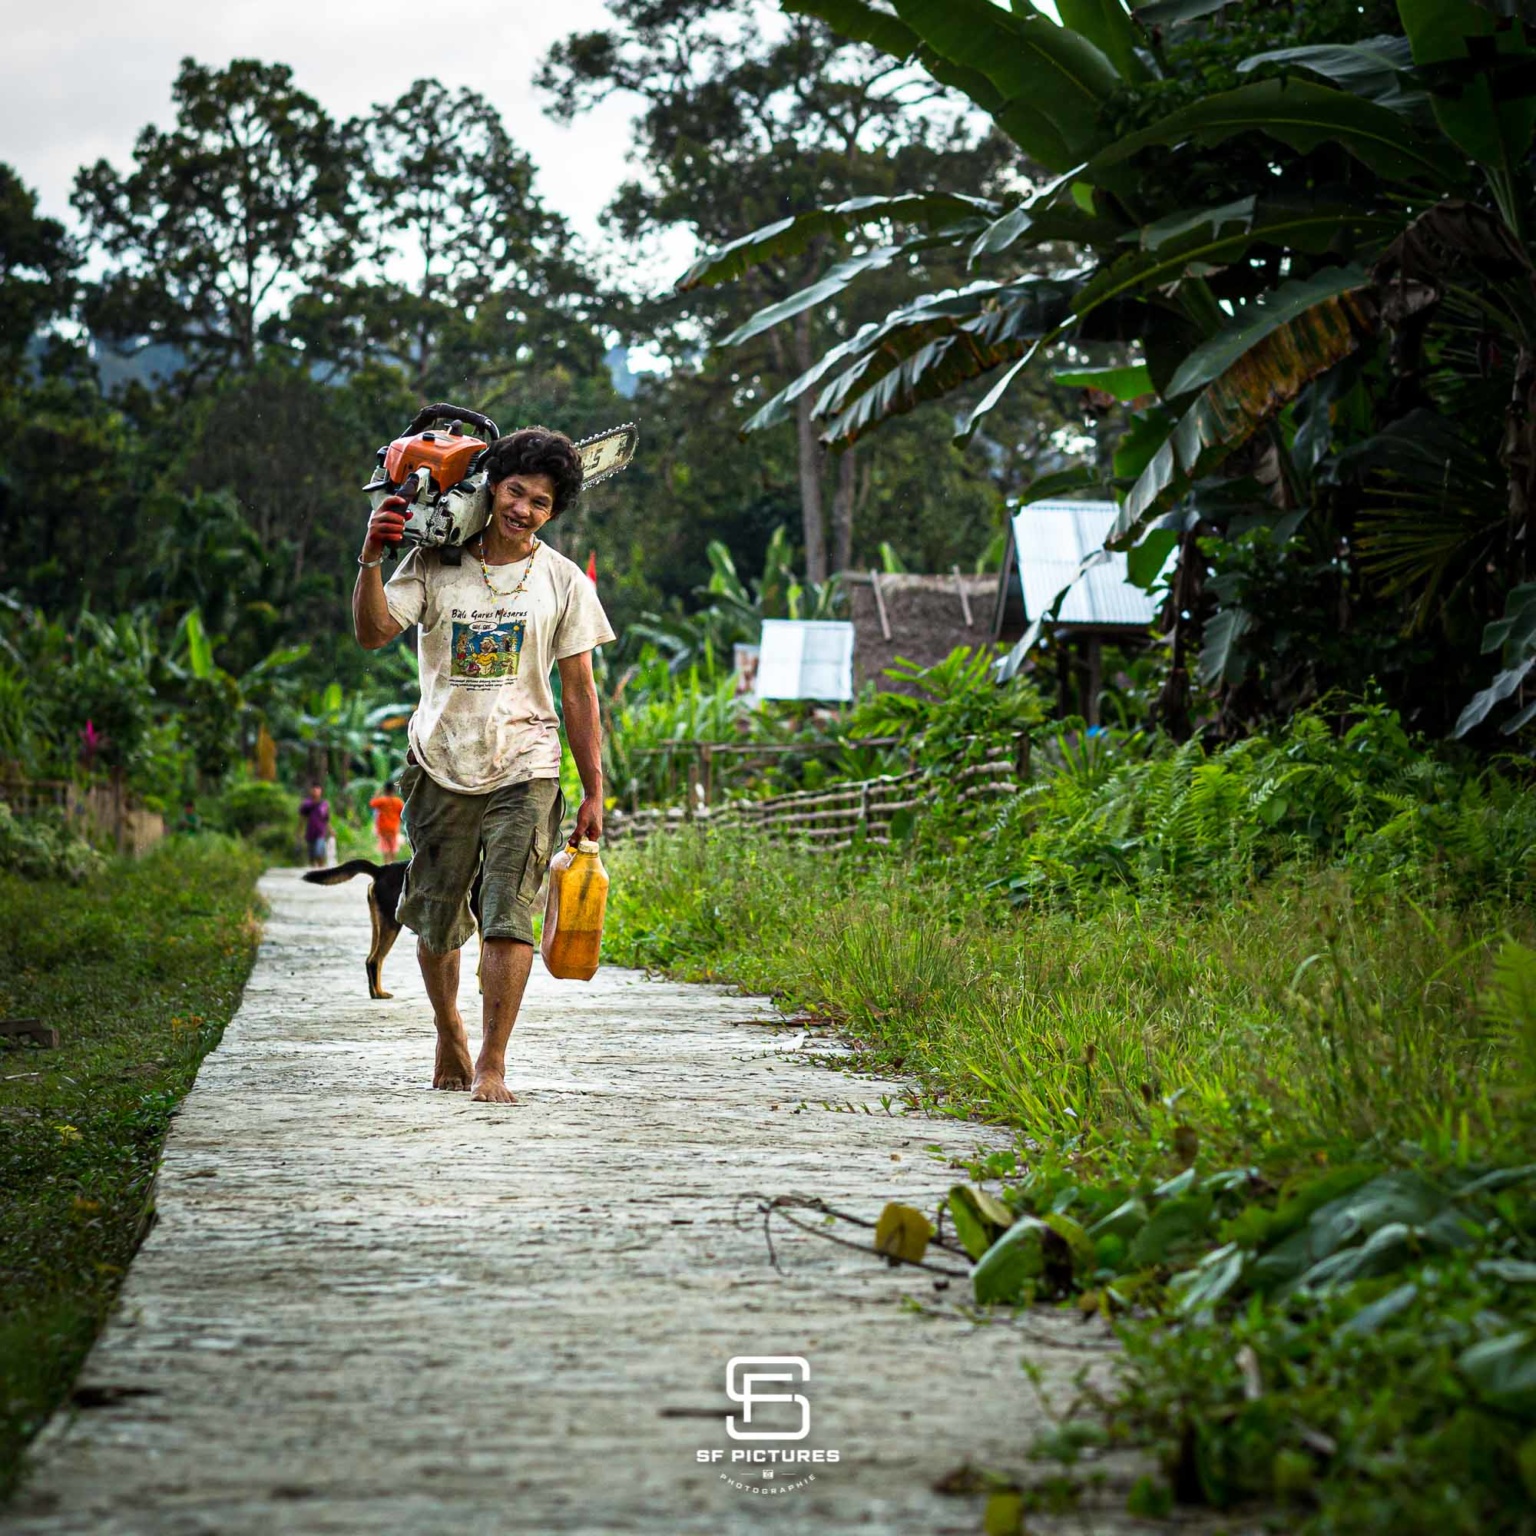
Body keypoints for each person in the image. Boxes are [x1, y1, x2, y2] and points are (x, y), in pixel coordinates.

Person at [352, 426, 613, 1105]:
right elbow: (374, 631)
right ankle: (449, 1030)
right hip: (441, 763)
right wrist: (371, 560)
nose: (523, 509)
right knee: (436, 922)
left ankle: (494, 1062)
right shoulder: (434, 564)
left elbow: (580, 692)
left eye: (541, 501)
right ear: (492, 486)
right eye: (515, 491)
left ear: (553, 512)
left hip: (527, 765)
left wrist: (594, 789)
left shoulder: (561, 582)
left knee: (509, 915)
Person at [369, 781, 406, 863]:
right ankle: (393, 865)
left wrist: (377, 793)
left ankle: (386, 866)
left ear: (385, 790)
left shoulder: (382, 801)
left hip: (383, 830)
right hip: (394, 829)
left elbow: (372, 803)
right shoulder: (398, 802)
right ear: (394, 790)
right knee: (393, 849)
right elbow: (403, 814)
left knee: (385, 849)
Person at [298, 785, 331, 869]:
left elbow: (326, 819)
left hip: (320, 833)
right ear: (311, 791)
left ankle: (322, 869)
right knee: (312, 856)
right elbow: (302, 818)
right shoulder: (307, 804)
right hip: (310, 833)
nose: (316, 792)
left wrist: (331, 830)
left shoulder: (324, 804)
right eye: (314, 790)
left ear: (320, 792)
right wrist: (299, 831)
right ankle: (314, 870)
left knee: (319, 852)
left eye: (318, 790)